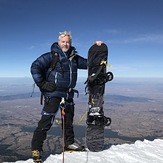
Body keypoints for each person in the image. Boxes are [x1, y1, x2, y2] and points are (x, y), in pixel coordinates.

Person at [30, 31, 102, 162]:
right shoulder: (51, 56)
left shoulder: (74, 58)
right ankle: (36, 149)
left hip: (68, 94)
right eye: (63, 41)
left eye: (68, 42)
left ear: (71, 43)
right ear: (58, 42)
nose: (66, 44)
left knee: (68, 121)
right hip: (53, 94)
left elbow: (88, 64)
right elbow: (35, 66)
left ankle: (69, 144)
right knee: (46, 122)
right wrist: (42, 83)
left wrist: (96, 50)